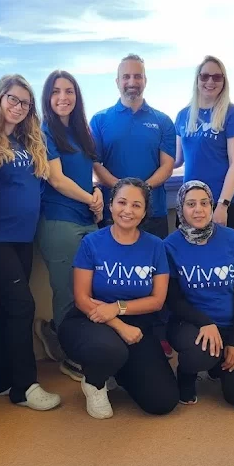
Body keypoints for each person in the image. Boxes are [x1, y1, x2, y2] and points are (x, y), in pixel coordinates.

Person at [57, 178, 179, 419]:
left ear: (145, 212)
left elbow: (157, 300)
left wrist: (118, 308)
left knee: (162, 401)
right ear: (111, 205)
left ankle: (118, 370)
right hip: (89, 320)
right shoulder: (92, 242)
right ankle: (94, 383)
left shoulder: (155, 246)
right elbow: (82, 299)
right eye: (122, 202)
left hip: (137, 325)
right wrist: (118, 323)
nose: (127, 210)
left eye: (136, 205)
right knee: (110, 349)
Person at [0, 74, 61, 409]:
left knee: (10, 306)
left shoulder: (27, 142)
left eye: (25, 103)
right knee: (22, 305)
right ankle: (24, 387)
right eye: (12, 99)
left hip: (22, 239)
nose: (18, 106)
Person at [164, 181, 234, 408]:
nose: (198, 209)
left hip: (230, 324)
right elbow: (173, 299)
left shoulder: (233, 239)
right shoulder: (169, 246)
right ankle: (187, 373)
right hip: (190, 323)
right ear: (181, 208)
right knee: (202, 353)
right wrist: (205, 322)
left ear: (211, 206)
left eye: (204, 203)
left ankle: (218, 364)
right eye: (191, 204)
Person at [34, 70, 103, 382]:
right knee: (67, 292)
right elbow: (57, 179)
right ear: (47, 98)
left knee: (91, 289)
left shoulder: (80, 131)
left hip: (86, 220)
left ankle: (69, 340)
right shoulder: (44, 131)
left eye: (69, 91)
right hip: (59, 221)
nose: (63, 97)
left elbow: (85, 173)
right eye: (56, 91)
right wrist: (91, 199)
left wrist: (96, 193)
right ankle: (69, 355)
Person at [90, 54, 176, 239]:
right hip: (114, 213)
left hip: (153, 212)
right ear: (117, 81)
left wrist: (140, 191)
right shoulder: (99, 120)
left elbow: (167, 166)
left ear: (145, 80)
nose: (132, 82)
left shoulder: (163, 121)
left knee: (155, 258)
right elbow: (96, 165)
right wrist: (123, 191)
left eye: (137, 76)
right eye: (126, 76)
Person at [174, 56, 234, 230]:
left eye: (217, 77)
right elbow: (177, 160)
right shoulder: (183, 115)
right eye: (205, 76)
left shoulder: (232, 113)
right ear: (197, 79)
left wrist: (222, 204)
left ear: (224, 81)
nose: (210, 82)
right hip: (190, 203)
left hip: (222, 202)